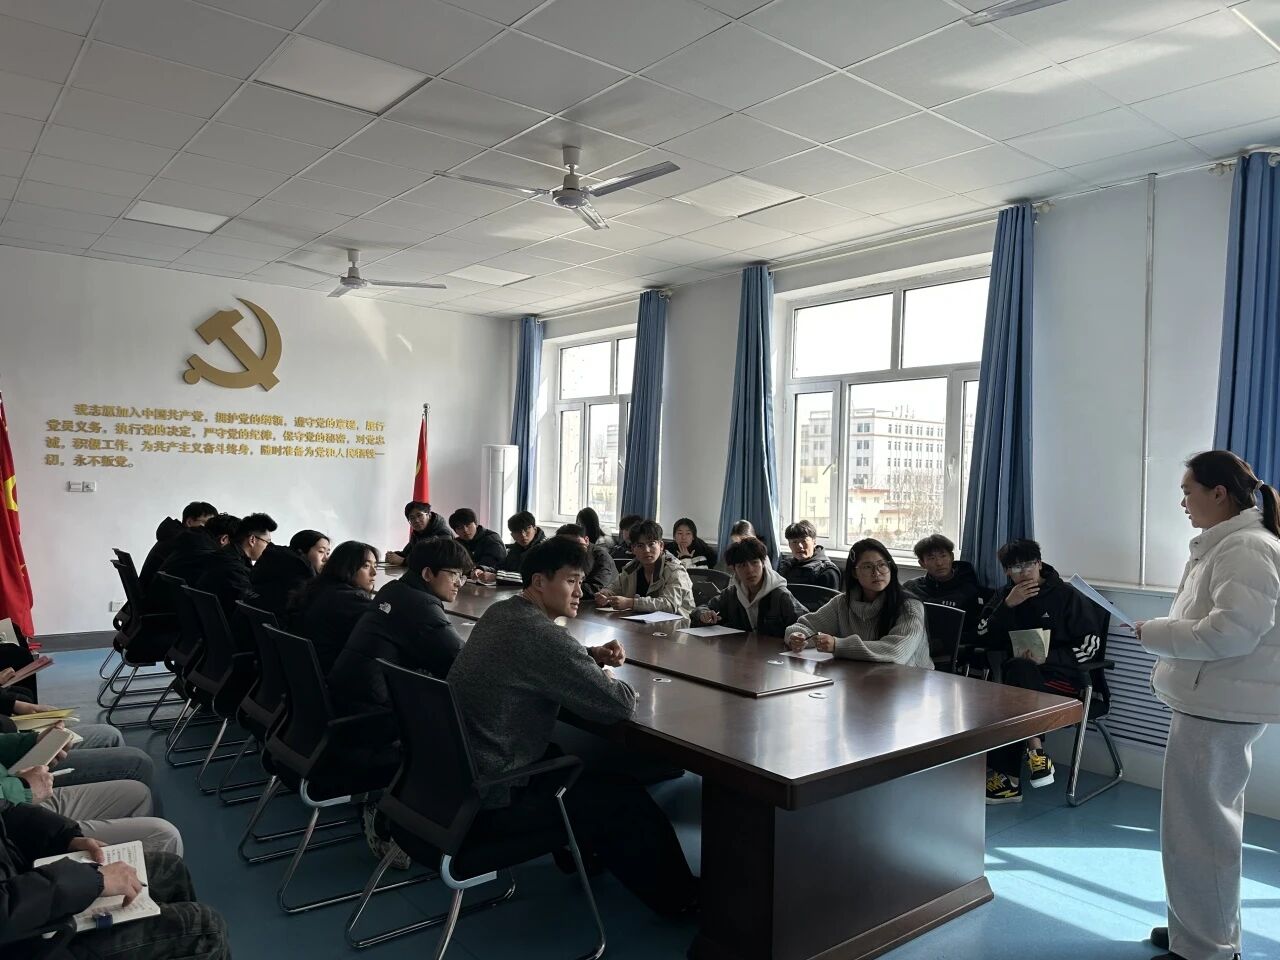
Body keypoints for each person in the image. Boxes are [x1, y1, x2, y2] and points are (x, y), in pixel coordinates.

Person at [447, 536, 699, 917]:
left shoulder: (503, 613)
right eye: (570, 581)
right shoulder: (541, 634)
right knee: (622, 797)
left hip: (461, 779)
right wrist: (606, 675)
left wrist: (587, 655)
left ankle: (584, 854)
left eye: (582, 581)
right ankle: (681, 901)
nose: (581, 591)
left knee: (572, 761)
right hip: (499, 792)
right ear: (539, 582)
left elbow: (539, 658)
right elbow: (619, 704)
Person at [1136, 451, 1280, 960]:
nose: (1183, 502)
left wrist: (1154, 633)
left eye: (1188, 491)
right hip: (1212, 703)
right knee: (1198, 829)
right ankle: (1196, 931)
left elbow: (1231, 632)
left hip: (1218, 708)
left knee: (1201, 833)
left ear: (1219, 493)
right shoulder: (1230, 544)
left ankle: (1207, 948)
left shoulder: (1246, 548)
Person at [0, 798, 229, 960]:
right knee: (207, 930)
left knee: (171, 869)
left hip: (27, 887)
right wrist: (93, 881)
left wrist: (65, 836)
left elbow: (5, 811)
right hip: (27, 941)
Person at [976, 539, 1107, 804]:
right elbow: (981, 635)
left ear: (1039, 563)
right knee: (1016, 675)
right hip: (1018, 681)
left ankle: (1010, 780)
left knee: (1011, 689)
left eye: (1029, 565)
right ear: (1006, 572)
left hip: (1062, 682)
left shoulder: (1067, 595)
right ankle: (1035, 753)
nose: (1024, 572)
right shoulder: (1005, 595)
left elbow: (1090, 646)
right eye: (1015, 568)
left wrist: (1046, 658)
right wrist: (1007, 606)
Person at [329, 538, 469, 718]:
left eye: (461, 576)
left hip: (348, 695)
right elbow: (460, 661)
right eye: (453, 574)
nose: (458, 583)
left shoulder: (394, 589)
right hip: (373, 711)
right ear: (427, 574)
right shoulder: (420, 605)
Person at [786, 538, 931, 668]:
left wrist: (838, 645)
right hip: (861, 676)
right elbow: (804, 626)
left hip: (909, 681)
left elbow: (896, 651)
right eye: (867, 567)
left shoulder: (909, 607)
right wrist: (797, 637)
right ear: (854, 573)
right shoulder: (842, 603)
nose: (876, 573)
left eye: (882, 565)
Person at [287, 540, 379, 674]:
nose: (374, 572)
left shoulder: (319, 588)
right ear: (346, 567)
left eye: (375, 565)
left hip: (303, 671)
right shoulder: (350, 600)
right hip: (331, 674)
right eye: (366, 566)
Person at [693, 537, 807, 635]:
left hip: (776, 652)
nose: (750, 570)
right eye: (742, 565)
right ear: (734, 569)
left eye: (754, 563)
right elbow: (701, 609)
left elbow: (806, 623)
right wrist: (703, 614)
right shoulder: (732, 594)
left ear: (763, 563)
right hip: (741, 651)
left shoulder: (780, 595)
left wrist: (796, 637)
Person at [902, 533, 989, 658]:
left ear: (952, 557)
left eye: (943, 556)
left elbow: (975, 631)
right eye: (931, 558)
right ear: (922, 563)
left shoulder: (969, 591)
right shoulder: (911, 588)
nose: (939, 563)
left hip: (952, 652)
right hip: (913, 647)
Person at [595, 520, 695, 617]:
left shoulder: (675, 570)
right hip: (639, 623)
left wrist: (631, 603)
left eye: (651, 544)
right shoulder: (631, 568)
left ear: (661, 546)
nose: (646, 550)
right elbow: (614, 588)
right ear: (633, 549)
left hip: (678, 624)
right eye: (640, 545)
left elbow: (669, 605)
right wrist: (604, 595)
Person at [195, 512, 276, 617]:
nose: (268, 548)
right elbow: (250, 604)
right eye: (267, 542)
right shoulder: (234, 567)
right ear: (252, 540)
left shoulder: (222, 555)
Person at [249, 529, 328, 619]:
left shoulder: (271, 563)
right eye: (321, 551)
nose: (326, 558)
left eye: (328, 553)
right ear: (302, 552)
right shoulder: (300, 577)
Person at [138, 501, 217, 590]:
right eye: (207, 524)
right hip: (153, 594)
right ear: (189, 522)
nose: (210, 530)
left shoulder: (173, 535)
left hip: (147, 591)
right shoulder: (184, 541)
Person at [555, 523, 615, 599]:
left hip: (596, 602)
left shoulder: (602, 557)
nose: (570, 548)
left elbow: (597, 588)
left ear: (586, 540)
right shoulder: (560, 553)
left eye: (574, 544)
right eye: (564, 545)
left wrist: (563, 587)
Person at [777, 520, 841, 590]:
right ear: (789, 545)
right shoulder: (786, 566)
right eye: (794, 542)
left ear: (814, 542)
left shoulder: (827, 571)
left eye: (804, 541)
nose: (800, 546)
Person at [385, 501, 451, 566]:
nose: (416, 520)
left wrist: (404, 561)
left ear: (429, 515)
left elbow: (435, 559)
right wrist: (392, 556)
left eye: (419, 515)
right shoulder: (417, 534)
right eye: (412, 518)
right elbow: (406, 553)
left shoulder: (443, 533)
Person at [448, 508, 507, 572]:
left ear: (475, 524)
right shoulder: (456, 543)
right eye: (460, 528)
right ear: (455, 531)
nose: (465, 530)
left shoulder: (492, 539)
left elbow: (490, 565)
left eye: (468, 525)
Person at [497, 511, 546, 575]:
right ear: (512, 536)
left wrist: (497, 576)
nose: (523, 535)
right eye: (518, 532)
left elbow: (529, 578)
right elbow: (501, 568)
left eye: (526, 529)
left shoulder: (545, 549)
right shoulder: (514, 549)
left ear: (535, 529)